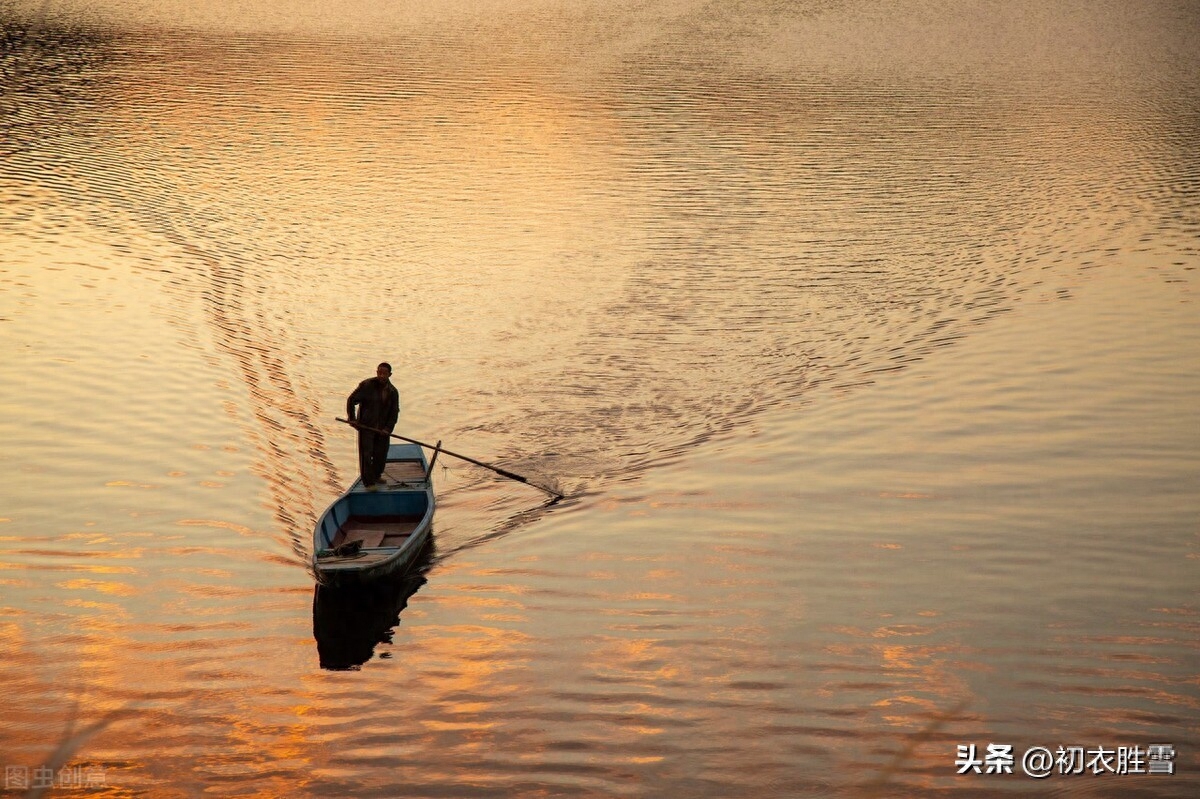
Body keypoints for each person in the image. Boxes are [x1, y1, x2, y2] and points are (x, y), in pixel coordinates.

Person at [346, 362, 400, 490]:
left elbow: (394, 412)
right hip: (367, 427)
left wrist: (388, 429)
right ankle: (368, 483)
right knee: (366, 454)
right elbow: (351, 400)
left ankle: (376, 476)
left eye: (384, 373)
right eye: (379, 372)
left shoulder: (393, 392)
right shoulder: (366, 386)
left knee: (381, 454)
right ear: (376, 372)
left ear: (390, 375)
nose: (381, 375)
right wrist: (352, 418)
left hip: (382, 430)